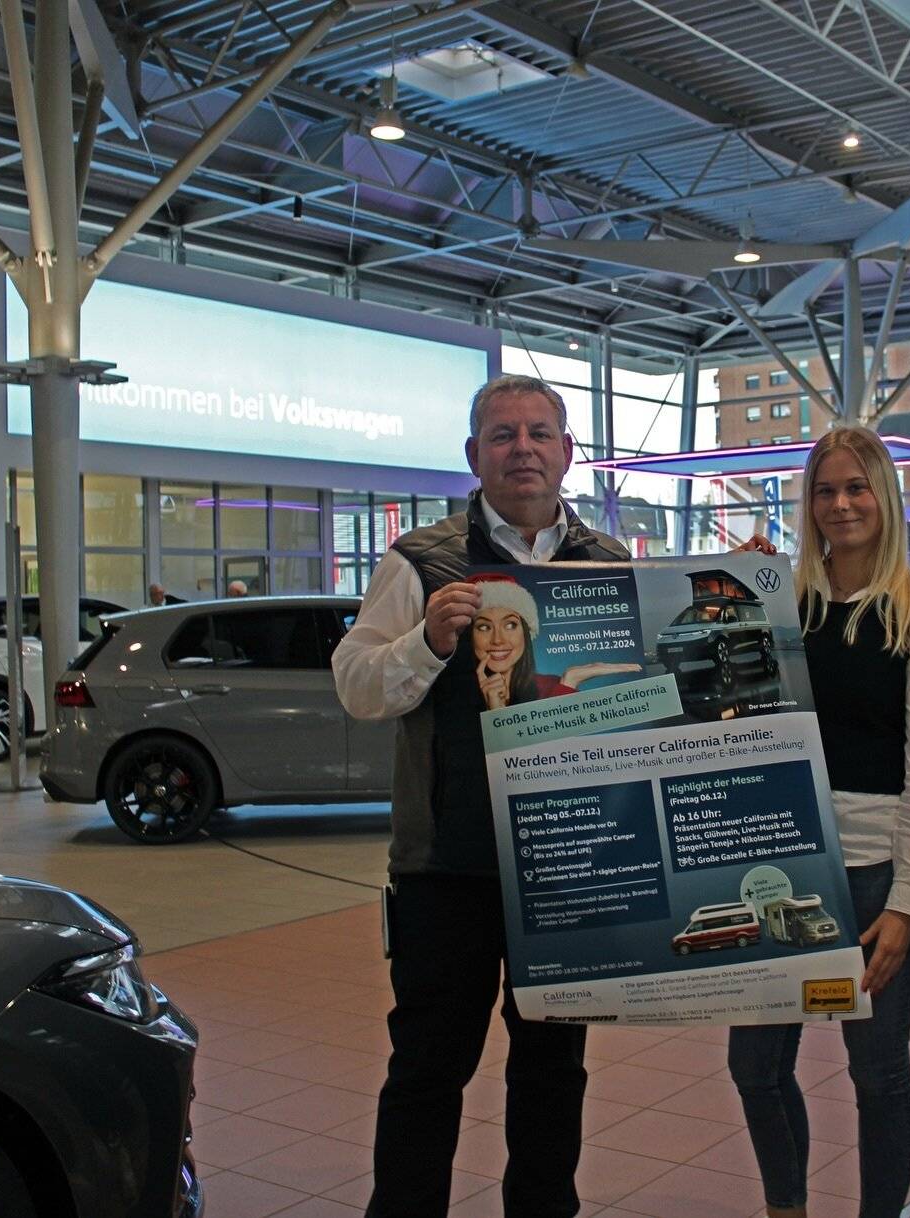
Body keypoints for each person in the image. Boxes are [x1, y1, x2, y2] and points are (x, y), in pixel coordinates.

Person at [331, 374, 629, 1218]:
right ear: (474, 454)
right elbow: (356, 686)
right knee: (428, 1070)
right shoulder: (420, 561)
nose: (522, 449)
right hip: (445, 869)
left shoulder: (610, 566)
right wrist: (427, 640)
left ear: (568, 452)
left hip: (567, 867)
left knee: (553, 1074)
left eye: (539, 433)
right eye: (503, 435)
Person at [726, 426, 910, 1218]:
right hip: (784, 866)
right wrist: (737, 588)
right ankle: (786, 1209)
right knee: (755, 1067)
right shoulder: (783, 608)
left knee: (878, 1072)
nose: (841, 504)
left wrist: (908, 903)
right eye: (825, 490)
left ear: (884, 497)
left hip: (874, 876)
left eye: (857, 487)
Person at [466, 572, 640, 710]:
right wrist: (495, 710)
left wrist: (569, 682)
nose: (498, 640)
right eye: (484, 627)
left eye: (510, 625)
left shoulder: (552, 686)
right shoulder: (457, 696)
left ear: (526, 632)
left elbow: (564, 744)